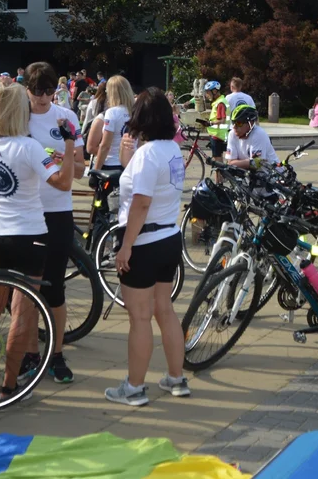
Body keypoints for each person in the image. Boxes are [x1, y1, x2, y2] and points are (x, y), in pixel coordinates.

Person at [0, 81, 76, 400]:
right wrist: (70, 146)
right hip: (29, 236)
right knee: (23, 310)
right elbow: (62, 183)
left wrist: (2, 88)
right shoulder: (29, 147)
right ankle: (8, 383)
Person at [106, 87, 190, 405]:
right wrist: (130, 159)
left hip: (144, 241)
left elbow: (140, 203)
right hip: (168, 236)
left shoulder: (147, 154)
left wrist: (126, 247)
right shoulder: (171, 150)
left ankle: (135, 387)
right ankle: (176, 378)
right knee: (163, 309)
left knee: (140, 317)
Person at [18, 62, 85, 384]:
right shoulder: (18, 115)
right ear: (26, 89)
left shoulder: (67, 117)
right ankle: (31, 353)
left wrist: (65, 158)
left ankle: (56, 354)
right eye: (36, 91)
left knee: (54, 288)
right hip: (26, 210)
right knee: (28, 288)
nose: (43, 97)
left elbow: (82, 170)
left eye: (48, 91)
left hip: (58, 210)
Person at [88, 75, 135, 170]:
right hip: (132, 164)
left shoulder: (112, 112)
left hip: (112, 164)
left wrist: (96, 170)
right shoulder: (137, 112)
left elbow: (105, 146)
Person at [225, 104, 279, 170]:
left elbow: (256, 164)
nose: (234, 127)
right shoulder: (232, 134)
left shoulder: (259, 134)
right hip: (252, 174)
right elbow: (230, 162)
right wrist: (249, 162)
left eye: (239, 123)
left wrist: (238, 163)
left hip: (272, 174)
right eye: (233, 122)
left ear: (250, 123)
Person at [203, 80, 228, 160]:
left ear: (214, 91)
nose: (206, 95)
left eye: (207, 92)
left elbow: (222, 120)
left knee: (217, 161)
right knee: (218, 160)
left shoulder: (220, 103)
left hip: (217, 135)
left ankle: (219, 173)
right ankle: (220, 172)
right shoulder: (218, 102)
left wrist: (210, 123)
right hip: (217, 135)